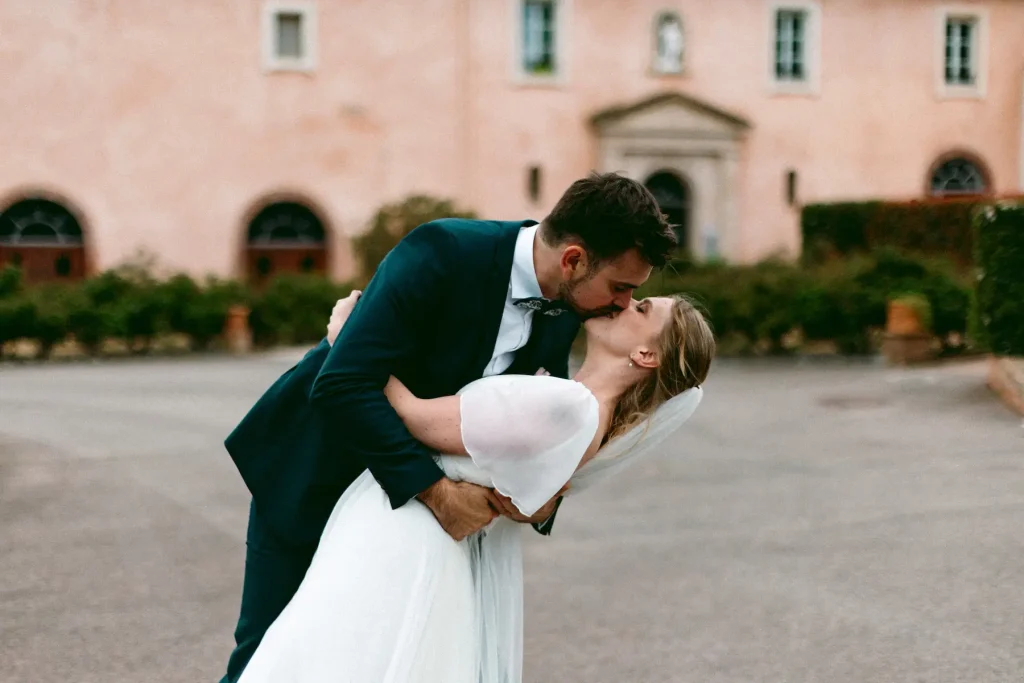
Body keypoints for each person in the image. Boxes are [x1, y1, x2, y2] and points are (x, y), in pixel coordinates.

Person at [218, 172, 679, 682]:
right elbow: (342, 384)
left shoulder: (571, 303)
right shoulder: (443, 252)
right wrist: (437, 494)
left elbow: (524, 425)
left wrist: (540, 501)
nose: (622, 303)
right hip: (316, 472)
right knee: (270, 656)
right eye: (621, 287)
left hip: (403, 528)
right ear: (573, 259)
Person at [237, 288, 715, 682]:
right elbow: (529, 492)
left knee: (332, 656)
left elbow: (413, 417)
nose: (626, 302)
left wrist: (348, 338)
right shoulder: (586, 408)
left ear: (646, 354)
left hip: (405, 532)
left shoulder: (571, 406)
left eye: (642, 309)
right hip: (421, 529)